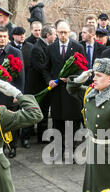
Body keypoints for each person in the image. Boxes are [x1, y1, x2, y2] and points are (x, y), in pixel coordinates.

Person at [67, 58, 110, 192]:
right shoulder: (92, 93)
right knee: (90, 191)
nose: (94, 79)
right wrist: (79, 79)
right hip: (93, 149)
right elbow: (71, 89)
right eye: (94, 74)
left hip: (108, 157)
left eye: (99, 75)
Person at [42, 21, 85, 159]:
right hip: (57, 92)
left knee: (73, 123)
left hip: (72, 91)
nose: (62, 35)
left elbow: (83, 68)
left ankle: (72, 150)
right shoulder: (50, 48)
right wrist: (49, 80)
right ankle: (59, 150)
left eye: (65, 32)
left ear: (69, 31)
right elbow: (46, 68)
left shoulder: (77, 47)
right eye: (60, 32)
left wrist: (72, 78)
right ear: (56, 33)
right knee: (58, 121)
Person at [0, 27, 25, 158]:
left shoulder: (15, 52)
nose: (2, 39)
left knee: (12, 122)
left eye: (4, 36)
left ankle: (12, 146)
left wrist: (17, 95)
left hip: (9, 94)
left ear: (8, 38)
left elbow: (20, 76)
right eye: (0, 36)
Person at [28, 24, 56, 144]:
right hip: (39, 85)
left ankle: (43, 135)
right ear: (48, 35)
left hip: (46, 83)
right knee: (40, 111)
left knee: (44, 111)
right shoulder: (37, 48)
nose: (56, 36)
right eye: (54, 34)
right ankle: (40, 136)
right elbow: (39, 67)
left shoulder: (48, 46)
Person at [11, 26, 34, 148]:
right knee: (14, 114)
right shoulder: (10, 48)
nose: (22, 36)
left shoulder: (30, 47)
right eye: (19, 34)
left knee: (26, 113)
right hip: (13, 87)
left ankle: (25, 138)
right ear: (14, 36)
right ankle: (13, 141)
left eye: (24, 34)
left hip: (28, 85)